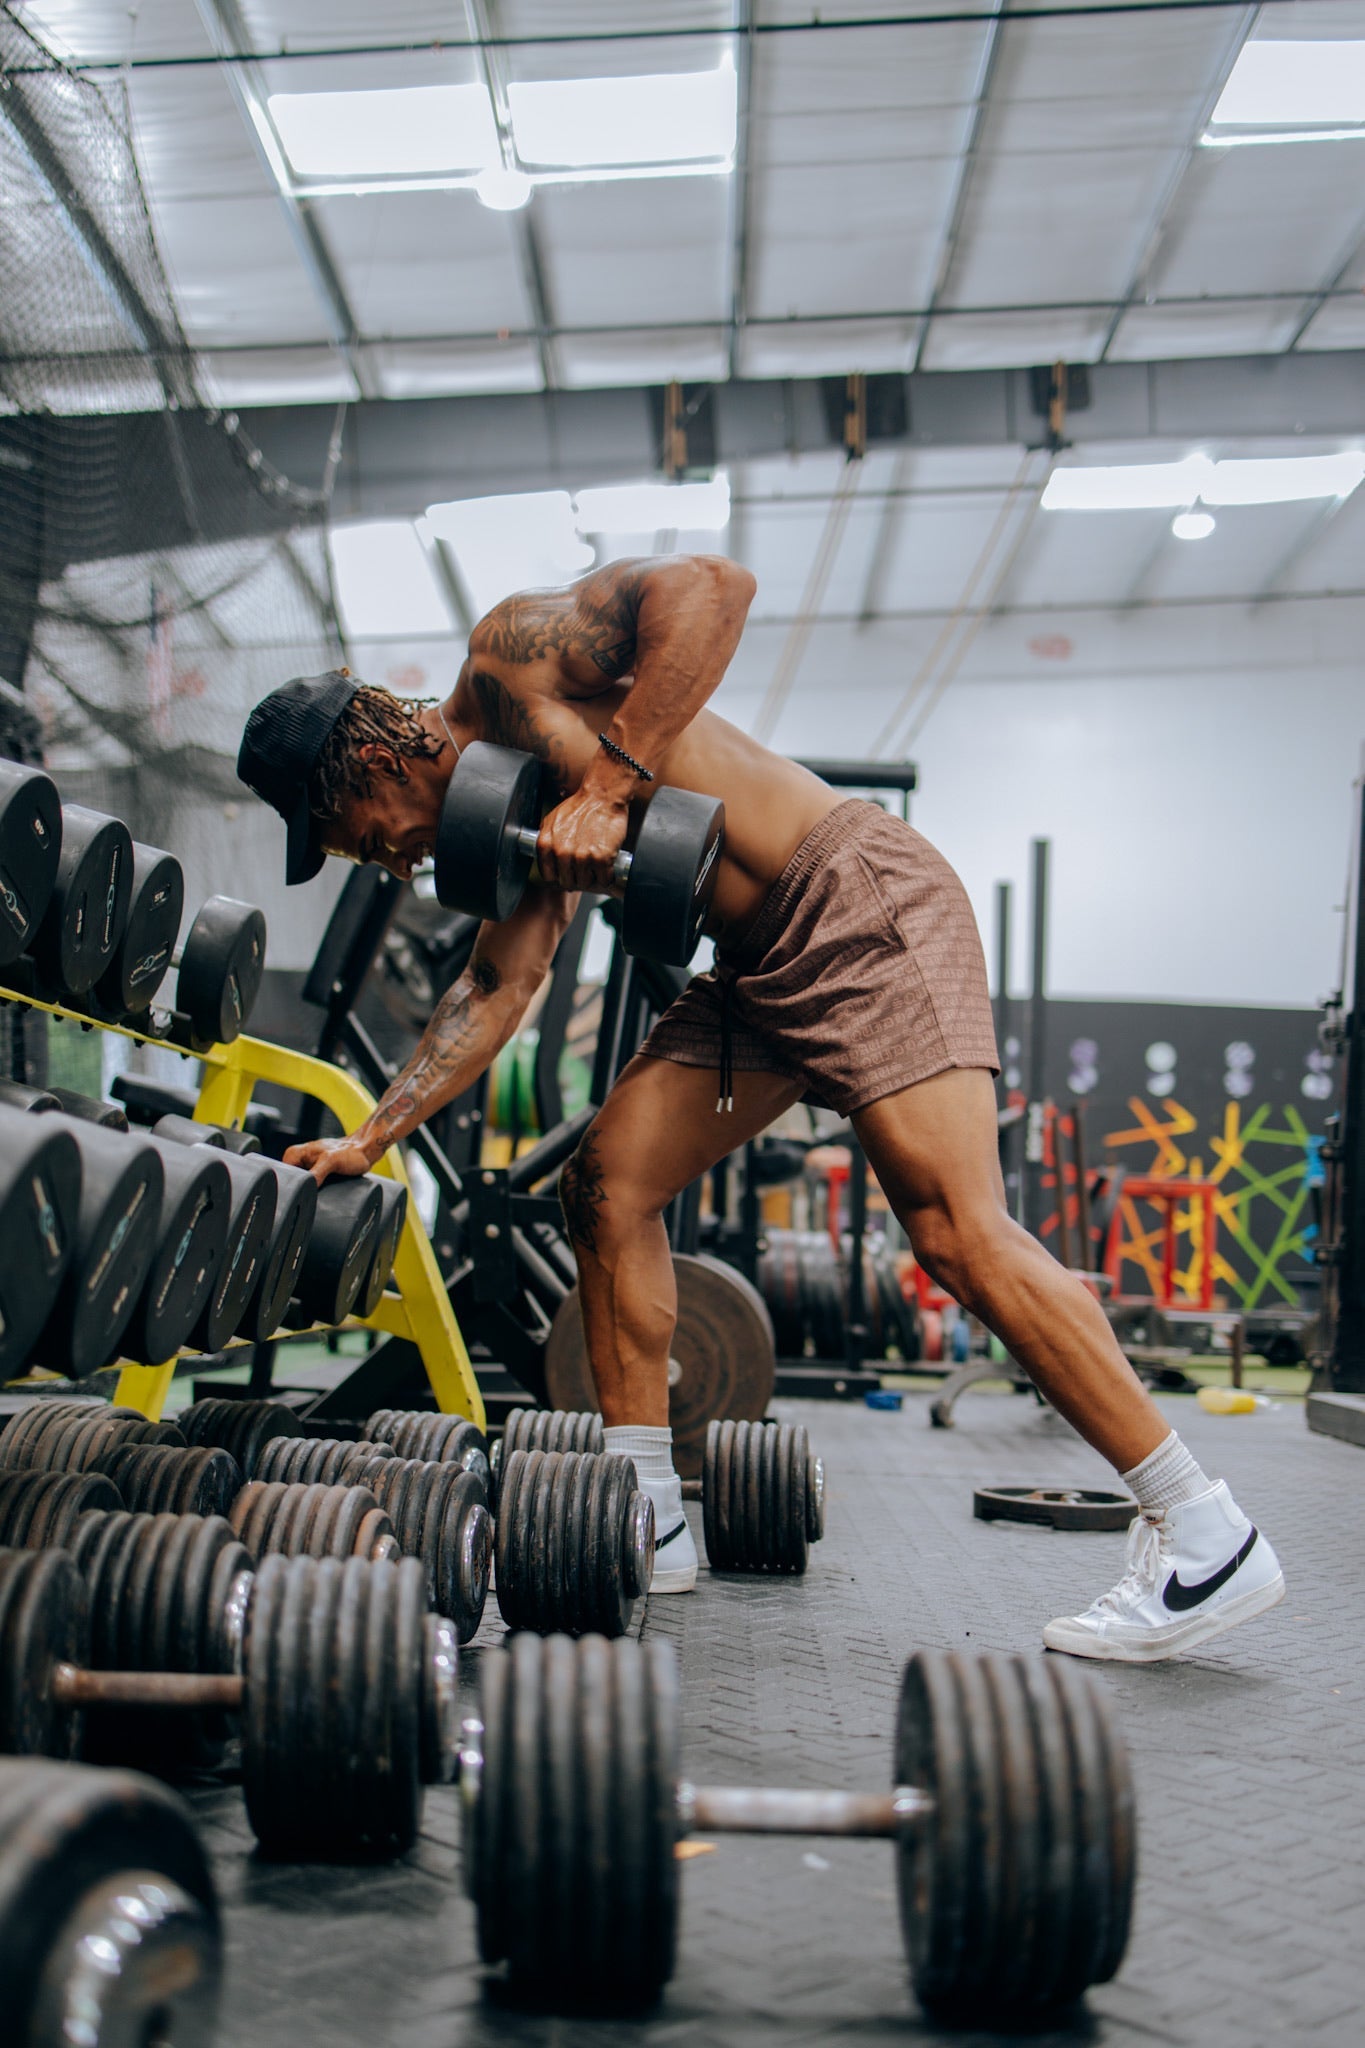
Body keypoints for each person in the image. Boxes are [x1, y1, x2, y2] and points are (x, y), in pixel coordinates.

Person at [237, 553, 1284, 1655]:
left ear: (363, 758)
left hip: (853, 896)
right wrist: (372, 1134)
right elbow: (499, 986)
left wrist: (609, 783)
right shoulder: (505, 814)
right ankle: (650, 1513)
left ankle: (1204, 1531)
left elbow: (712, 586)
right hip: (759, 963)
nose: (368, 857)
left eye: (343, 830)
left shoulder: (510, 659)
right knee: (607, 1180)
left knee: (955, 1232)